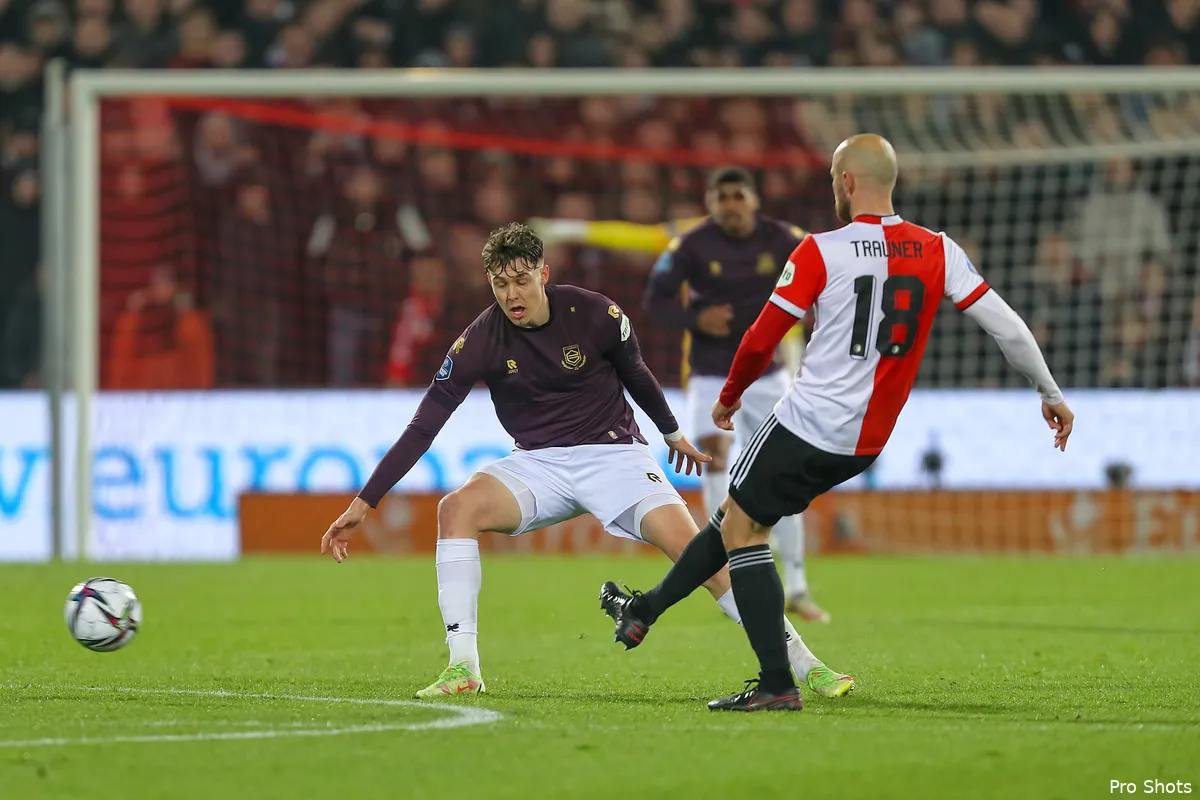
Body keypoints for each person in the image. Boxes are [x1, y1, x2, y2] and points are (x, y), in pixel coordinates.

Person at [601, 134, 1075, 712]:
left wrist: (729, 397)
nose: (831, 185)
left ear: (848, 182)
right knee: (737, 520)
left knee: (743, 533)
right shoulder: (939, 250)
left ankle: (776, 684)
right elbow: (1008, 329)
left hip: (806, 423)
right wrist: (1049, 392)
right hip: (865, 442)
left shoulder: (821, 250)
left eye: (833, 175)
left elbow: (761, 337)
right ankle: (644, 611)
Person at [319, 222, 853, 699]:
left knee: (702, 556)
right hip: (538, 465)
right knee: (455, 509)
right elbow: (423, 426)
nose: (512, 294)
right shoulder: (479, 339)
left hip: (615, 456)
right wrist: (364, 502)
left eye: (522, 280)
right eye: (500, 284)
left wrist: (669, 432)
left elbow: (637, 373)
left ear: (544, 273)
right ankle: (464, 668)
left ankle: (806, 666)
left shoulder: (595, 314)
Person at [642, 166, 826, 622]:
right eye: (721, 197)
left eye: (737, 195)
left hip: (768, 376)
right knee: (716, 459)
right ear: (710, 202)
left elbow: (826, 282)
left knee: (781, 473)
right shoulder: (691, 245)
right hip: (709, 373)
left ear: (753, 199)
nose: (730, 204)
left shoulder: (786, 239)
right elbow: (655, 301)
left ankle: (798, 586)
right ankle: (725, 570)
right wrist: (695, 320)